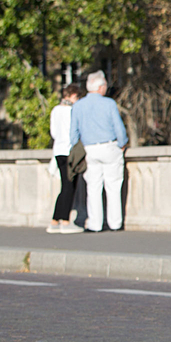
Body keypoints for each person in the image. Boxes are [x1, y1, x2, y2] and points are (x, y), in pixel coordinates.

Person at [69, 70, 129, 233]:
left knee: (93, 187)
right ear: (101, 87)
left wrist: (79, 148)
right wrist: (122, 143)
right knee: (113, 185)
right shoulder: (108, 103)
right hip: (109, 147)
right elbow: (119, 127)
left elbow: (73, 133)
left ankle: (95, 224)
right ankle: (115, 223)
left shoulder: (79, 105)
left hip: (89, 149)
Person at [47, 84, 84, 233]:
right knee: (69, 186)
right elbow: (75, 131)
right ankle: (65, 221)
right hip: (69, 150)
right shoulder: (72, 111)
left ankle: (55, 220)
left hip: (58, 150)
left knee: (65, 186)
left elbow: (54, 132)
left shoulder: (56, 110)